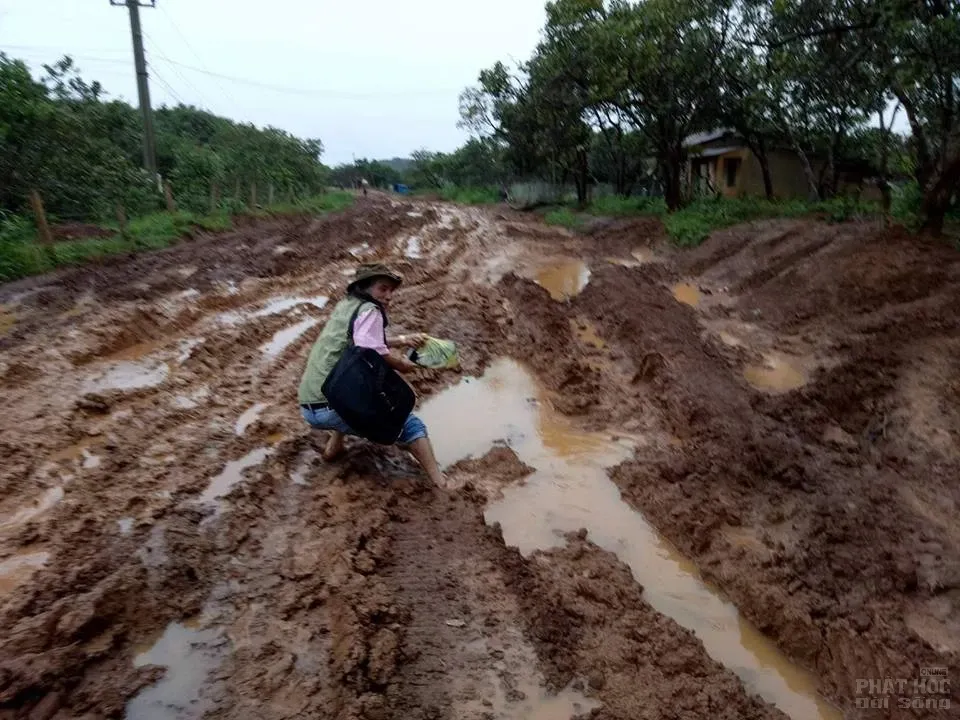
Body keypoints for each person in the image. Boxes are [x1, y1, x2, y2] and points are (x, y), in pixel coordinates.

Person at [298, 263, 448, 486]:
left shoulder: (347, 305)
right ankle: (442, 482)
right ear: (364, 287)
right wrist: (401, 364)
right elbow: (370, 348)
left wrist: (403, 340)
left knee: (350, 391)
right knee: (409, 424)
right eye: (382, 289)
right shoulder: (371, 310)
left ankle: (333, 449)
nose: (388, 296)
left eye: (390, 291)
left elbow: (362, 339)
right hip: (331, 406)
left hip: (309, 406)